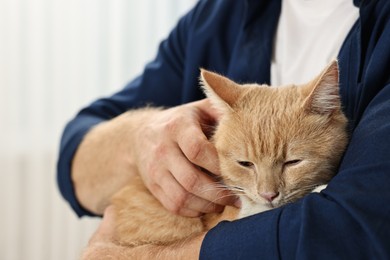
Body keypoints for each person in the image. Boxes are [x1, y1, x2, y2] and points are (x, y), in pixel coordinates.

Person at [57, 0, 390, 258]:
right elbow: (75, 154)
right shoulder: (218, 13)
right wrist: (139, 137)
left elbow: (359, 227)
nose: (268, 191)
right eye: (246, 164)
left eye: (291, 164)